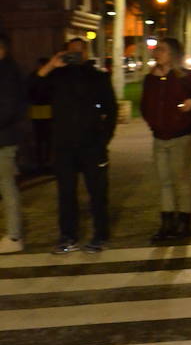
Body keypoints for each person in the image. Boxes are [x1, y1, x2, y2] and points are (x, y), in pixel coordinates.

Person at [35, 37, 117, 254]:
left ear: (88, 54)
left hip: (92, 146)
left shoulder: (98, 77)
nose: (76, 55)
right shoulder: (56, 77)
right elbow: (32, 91)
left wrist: (104, 138)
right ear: (63, 53)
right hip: (64, 147)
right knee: (66, 194)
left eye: (81, 51)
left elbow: (111, 109)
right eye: (71, 52)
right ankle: (68, 236)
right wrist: (52, 65)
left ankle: (100, 234)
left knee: (97, 193)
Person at [140, 36, 191, 243]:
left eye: (162, 50)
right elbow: (145, 104)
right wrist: (152, 122)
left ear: (172, 54)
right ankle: (166, 223)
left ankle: (184, 222)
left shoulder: (184, 76)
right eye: (157, 50)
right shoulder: (151, 78)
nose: (157, 54)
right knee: (164, 181)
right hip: (159, 137)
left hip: (181, 136)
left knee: (181, 180)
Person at [0, 33, 27, 254]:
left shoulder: (8, 73)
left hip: (4, 140)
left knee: (7, 187)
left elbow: (7, 110)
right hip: (5, 138)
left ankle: (14, 235)